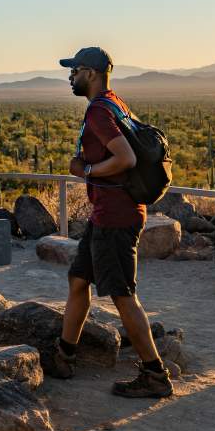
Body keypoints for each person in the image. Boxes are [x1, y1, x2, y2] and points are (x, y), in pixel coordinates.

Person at [53, 46, 173, 398]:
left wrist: (87, 170)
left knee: (123, 296)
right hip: (106, 214)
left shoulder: (99, 112)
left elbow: (125, 158)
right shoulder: (113, 103)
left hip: (116, 218)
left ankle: (155, 375)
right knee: (79, 280)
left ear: (90, 73)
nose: (70, 76)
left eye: (75, 70)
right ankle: (64, 356)